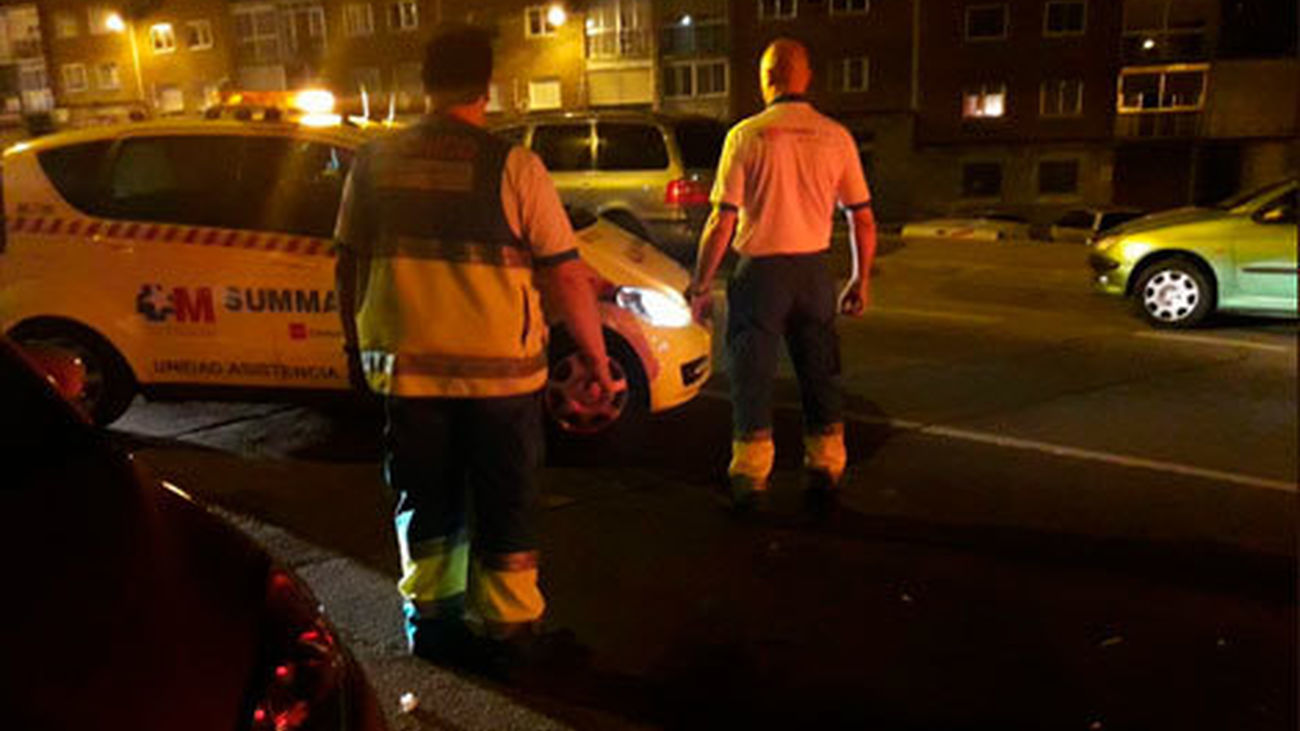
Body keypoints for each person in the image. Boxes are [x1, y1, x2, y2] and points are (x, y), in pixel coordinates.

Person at [334, 25, 620, 675]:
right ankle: (509, 629)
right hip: (501, 380)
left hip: (405, 371)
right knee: (505, 498)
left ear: (424, 86)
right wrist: (597, 360)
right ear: (485, 87)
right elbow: (566, 274)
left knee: (423, 495)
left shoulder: (373, 162)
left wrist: (356, 347)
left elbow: (346, 263)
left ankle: (431, 623)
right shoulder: (514, 165)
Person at [686, 38, 877, 512]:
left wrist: (701, 282)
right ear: (806, 76)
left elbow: (722, 219)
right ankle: (826, 465)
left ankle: (751, 474)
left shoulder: (745, 136)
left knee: (751, 374)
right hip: (814, 271)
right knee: (820, 373)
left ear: (764, 79)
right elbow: (862, 216)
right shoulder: (836, 136)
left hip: (761, 274)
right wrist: (860, 278)